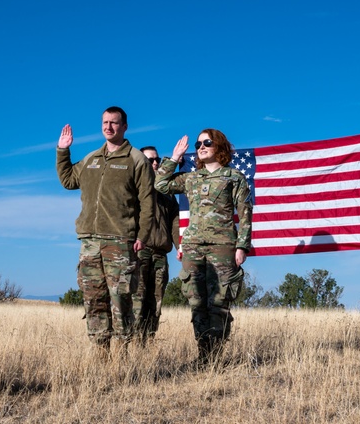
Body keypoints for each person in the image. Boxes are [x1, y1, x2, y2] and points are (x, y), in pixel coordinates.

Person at [56, 107, 154, 356]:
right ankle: (101, 355)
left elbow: (147, 203)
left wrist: (142, 236)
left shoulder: (136, 160)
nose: (108, 127)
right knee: (93, 299)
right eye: (105, 122)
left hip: (121, 241)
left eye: (114, 123)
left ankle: (122, 356)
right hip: (89, 241)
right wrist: (63, 150)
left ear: (124, 127)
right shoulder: (91, 159)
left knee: (120, 299)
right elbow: (68, 180)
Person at [155, 129, 252, 364]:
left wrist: (242, 246)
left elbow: (246, 212)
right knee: (197, 302)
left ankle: (216, 357)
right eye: (198, 143)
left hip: (223, 246)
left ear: (219, 145)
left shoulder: (234, 177)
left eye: (207, 142)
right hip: (193, 247)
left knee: (219, 302)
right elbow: (160, 183)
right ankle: (204, 356)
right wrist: (175, 157)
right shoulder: (191, 178)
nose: (201, 146)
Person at [133, 146, 181, 345]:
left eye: (157, 159)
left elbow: (175, 221)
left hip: (161, 254)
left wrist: (180, 246)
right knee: (137, 300)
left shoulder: (167, 193)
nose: (154, 163)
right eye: (150, 159)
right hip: (138, 252)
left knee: (156, 302)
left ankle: (147, 343)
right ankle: (131, 344)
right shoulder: (135, 186)